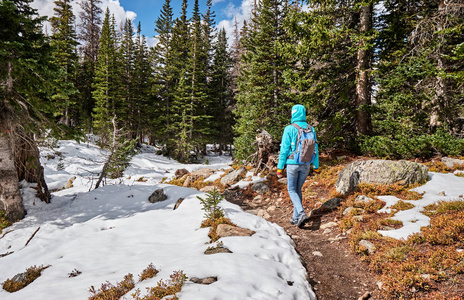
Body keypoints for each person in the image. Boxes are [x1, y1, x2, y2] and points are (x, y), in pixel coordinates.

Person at [276, 104, 319, 228]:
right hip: (306, 164)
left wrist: (279, 168)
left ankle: (300, 213)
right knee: (298, 189)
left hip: (292, 164)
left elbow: (284, 150)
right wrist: (315, 165)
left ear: (293, 113)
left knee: (291, 189)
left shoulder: (289, 129)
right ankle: (295, 218)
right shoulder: (311, 128)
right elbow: (315, 147)